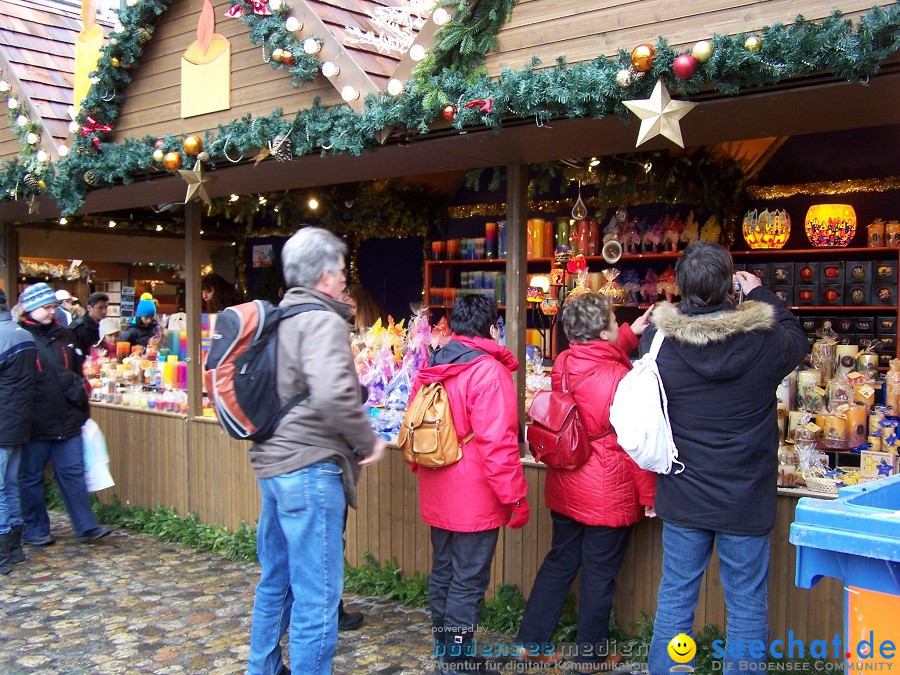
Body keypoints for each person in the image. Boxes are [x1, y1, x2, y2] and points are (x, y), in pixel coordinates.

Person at [643, 242, 806, 674]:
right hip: (744, 494)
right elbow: (797, 339)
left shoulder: (658, 341)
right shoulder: (766, 341)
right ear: (728, 286)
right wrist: (761, 294)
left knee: (676, 597)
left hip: (683, 491)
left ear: (682, 288)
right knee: (747, 607)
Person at [247, 227, 386, 675]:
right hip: (309, 470)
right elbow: (331, 394)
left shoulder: (280, 317)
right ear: (325, 274)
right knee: (317, 596)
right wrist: (368, 440)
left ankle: (263, 668)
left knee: (275, 580)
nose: (346, 278)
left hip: (272, 466)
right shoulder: (323, 320)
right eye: (342, 270)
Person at [515, 293, 656, 673]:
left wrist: (630, 334)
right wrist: (649, 495)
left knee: (560, 560)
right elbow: (634, 441)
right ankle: (590, 655)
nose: (617, 323)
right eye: (613, 319)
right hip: (607, 490)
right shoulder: (622, 378)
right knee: (599, 574)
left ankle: (530, 644)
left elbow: (594, 363)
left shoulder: (564, 361)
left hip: (567, 482)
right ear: (601, 330)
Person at [410, 294, 529, 673]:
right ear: (493, 329)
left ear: (455, 327)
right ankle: (458, 660)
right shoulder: (488, 372)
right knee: (468, 577)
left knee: (444, 569)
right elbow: (499, 444)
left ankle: (445, 649)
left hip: (436, 484)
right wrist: (515, 498)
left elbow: (415, 427)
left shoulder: (432, 363)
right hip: (474, 493)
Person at [16, 283, 111, 546]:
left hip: (67, 417)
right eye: (45, 307)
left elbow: (78, 364)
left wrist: (79, 395)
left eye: (53, 306)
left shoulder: (64, 334)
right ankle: (35, 528)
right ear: (29, 308)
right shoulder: (21, 336)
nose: (51, 311)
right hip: (35, 420)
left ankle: (86, 525)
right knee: (31, 477)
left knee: (73, 472)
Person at [0, 288, 37, 573]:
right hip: (20, 422)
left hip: (2, 422)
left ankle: (2, 551)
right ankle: (15, 548)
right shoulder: (24, 334)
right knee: (11, 485)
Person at [70, 291, 109, 356]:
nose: (104, 311)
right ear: (89, 308)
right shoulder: (78, 328)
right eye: (100, 308)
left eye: (106, 307)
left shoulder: (105, 326)